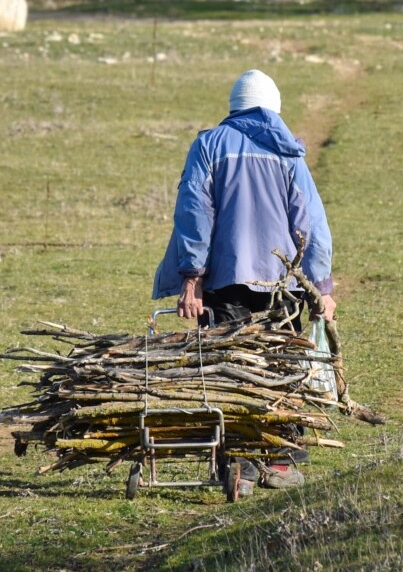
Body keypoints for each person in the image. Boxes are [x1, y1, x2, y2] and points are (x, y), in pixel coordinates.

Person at [152, 69, 336, 494]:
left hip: (225, 284)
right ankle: (280, 462)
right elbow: (314, 225)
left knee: (232, 369)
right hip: (284, 286)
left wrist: (192, 277)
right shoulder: (289, 152)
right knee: (281, 365)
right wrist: (320, 288)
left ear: (233, 107)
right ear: (273, 107)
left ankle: (239, 465)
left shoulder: (209, 145)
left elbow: (194, 214)